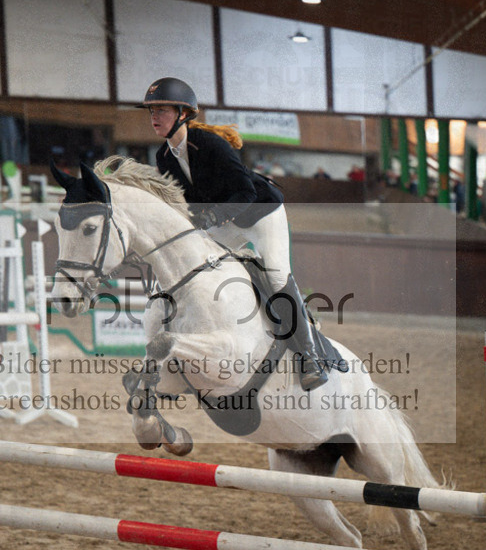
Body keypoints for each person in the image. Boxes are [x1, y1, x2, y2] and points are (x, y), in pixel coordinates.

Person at [141, 77, 344, 391]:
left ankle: (310, 357)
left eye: (162, 110)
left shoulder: (210, 145)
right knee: (199, 268)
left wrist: (214, 215)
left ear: (183, 113)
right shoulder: (164, 157)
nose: (154, 117)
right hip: (224, 221)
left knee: (276, 277)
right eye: (151, 111)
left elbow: (246, 191)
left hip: (260, 213)